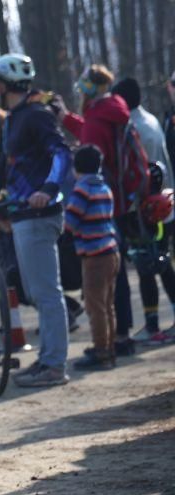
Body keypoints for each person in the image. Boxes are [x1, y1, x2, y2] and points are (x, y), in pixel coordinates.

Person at [0, 53, 72, 388]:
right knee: (37, 292)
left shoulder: (36, 114)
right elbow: (8, 164)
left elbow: (62, 152)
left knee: (47, 292)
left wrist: (49, 189)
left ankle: (54, 365)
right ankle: (47, 359)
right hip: (23, 214)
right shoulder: (16, 117)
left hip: (39, 214)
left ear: (2, 85)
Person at [56, 64, 136, 356]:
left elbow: (89, 142)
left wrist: (64, 228)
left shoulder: (98, 115)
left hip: (95, 238)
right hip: (116, 198)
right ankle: (118, 337)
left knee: (97, 299)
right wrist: (66, 117)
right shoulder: (112, 109)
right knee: (114, 284)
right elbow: (90, 136)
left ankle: (105, 346)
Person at [111, 77, 175, 344]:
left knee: (147, 266)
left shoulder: (133, 126)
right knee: (162, 263)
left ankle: (153, 327)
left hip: (148, 209)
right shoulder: (150, 119)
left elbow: (137, 174)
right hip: (163, 204)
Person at [64, 145, 120, 371]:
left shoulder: (81, 189)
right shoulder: (104, 187)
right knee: (107, 305)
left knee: (94, 306)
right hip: (111, 252)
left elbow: (70, 222)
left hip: (94, 255)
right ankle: (109, 346)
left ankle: (100, 351)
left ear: (76, 168)